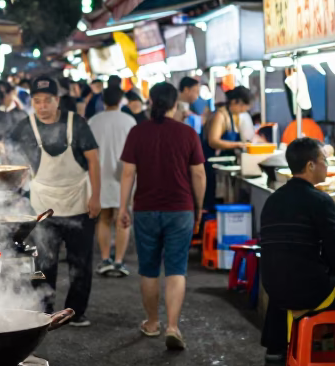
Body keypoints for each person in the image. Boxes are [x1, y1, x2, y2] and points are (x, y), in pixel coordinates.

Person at [259, 137, 335, 361]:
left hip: (274, 290)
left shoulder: (273, 200)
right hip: (311, 293)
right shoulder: (320, 200)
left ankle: (278, 348)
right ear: (310, 165)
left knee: (289, 271)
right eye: (324, 160)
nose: (327, 165)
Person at [117, 81, 206, 351]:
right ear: (174, 104)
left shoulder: (137, 132)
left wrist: (123, 208)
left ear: (151, 102)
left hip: (146, 208)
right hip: (180, 209)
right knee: (176, 269)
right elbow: (199, 174)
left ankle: (153, 322)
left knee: (149, 269)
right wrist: (199, 207)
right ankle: (173, 327)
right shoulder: (187, 133)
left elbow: (128, 173)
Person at [6, 74, 100, 326]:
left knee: (80, 263)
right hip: (42, 203)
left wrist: (96, 197)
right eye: (37, 101)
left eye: (47, 101)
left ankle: (76, 311)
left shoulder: (76, 124)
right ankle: (43, 312)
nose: (42, 106)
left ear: (57, 100)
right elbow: (9, 149)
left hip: (78, 201)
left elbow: (93, 160)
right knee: (43, 260)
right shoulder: (26, 126)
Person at [90, 86, 136, 277]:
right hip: (124, 176)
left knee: (104, 218)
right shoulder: (129, 121)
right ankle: (118, 261)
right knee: (123, 218)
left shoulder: (93, 121)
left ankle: (105, 259)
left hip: (99, 176)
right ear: (121, 100)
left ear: (103, 100)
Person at [201, 86, 254, 208]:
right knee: (212, 202)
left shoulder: (234, 116)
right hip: (211, 165)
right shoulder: (220, 115)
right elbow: (213, 141)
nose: (244, 110)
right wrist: (238, 144)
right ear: (235, 102)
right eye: (242, 106)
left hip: (222, 164)